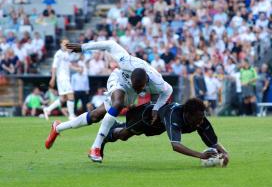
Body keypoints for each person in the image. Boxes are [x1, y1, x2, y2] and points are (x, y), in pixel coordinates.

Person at [45, 40, 173, 163]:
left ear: (146, 82)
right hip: (118, 79)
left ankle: (58, 127)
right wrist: (83, 47)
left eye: (140, 88)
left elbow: (168, 91)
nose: (138, 89)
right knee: (117, 104)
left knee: (95, 116)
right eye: (136, 86)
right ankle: (95, 147)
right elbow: (110, 44)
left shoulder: (158, 82)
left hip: (129, 93)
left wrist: (156, 108)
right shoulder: (126, 62)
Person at [101, 98, 229, 167]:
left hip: (159, 127)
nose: (201, 122)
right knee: (123, 135)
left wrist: (224, 153)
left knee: (127, 134)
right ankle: (107, 135)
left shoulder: (199, 118)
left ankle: (117, 126)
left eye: (202, 118)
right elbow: (176, 146)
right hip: (147, 117)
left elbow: (213, 142)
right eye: (198, 119)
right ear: (187, 115)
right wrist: (200, 155)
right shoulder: (175, 116)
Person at [43, 39, 80, 120]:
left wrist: (77, 69)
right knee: (71, 95)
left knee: (63, 99)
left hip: (65, 78)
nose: (66, 44)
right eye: (64, 43)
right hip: (62, 78)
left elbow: (69, 65)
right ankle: (71, 115)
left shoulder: (66, 53)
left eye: (67, 43)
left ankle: (47, 109)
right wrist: (53, 78)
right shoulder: (58, 54)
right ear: (60, 44)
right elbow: (54, 66)